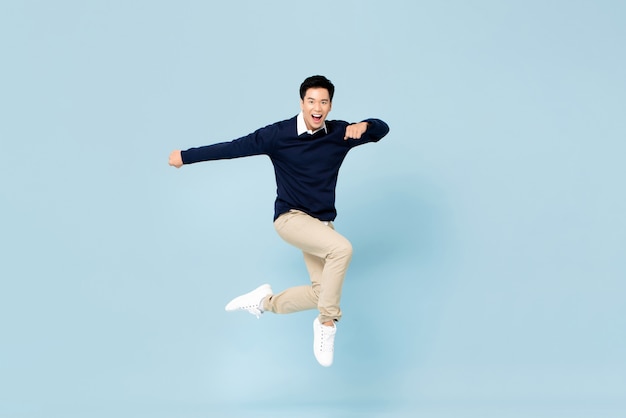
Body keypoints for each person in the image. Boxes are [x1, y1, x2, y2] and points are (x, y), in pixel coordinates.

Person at [168, 75, 389, 367]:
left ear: (330, 106)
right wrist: (185, 156)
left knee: (321, 292)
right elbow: (234, 148)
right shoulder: (278, 135)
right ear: (302, 103)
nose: (317, 107)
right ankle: (326, 325)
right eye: (311, 101)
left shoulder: (339, 133)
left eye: (323, 102)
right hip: (291, 218)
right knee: (342, 250)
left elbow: (382, 129)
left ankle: (263, 302)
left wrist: (367, 124)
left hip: (321, 225)